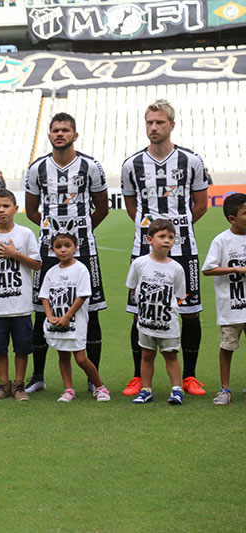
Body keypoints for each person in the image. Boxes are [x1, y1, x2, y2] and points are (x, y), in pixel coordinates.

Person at [121, 100, 208, 396]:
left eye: (159, 122)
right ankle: (137, 377)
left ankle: (190, 376)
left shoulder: (191, 161)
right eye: (149, 122)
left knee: (190, 311)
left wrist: (174, 232)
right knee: (139, 311)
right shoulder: (132, 164)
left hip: (184, 250)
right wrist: (153, 234)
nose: (154, 127)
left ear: (172, 124)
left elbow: (200, 205)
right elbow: (132, 207)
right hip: (144, 251)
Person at [24, 112, 109, 394]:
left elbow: (102, 207)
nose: (60, 134)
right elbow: (32, 209)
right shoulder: (37, 169)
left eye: (65, 130)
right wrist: (55, 237)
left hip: (85, 250)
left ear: (75, 134)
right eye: (55, 130)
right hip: (48, 252)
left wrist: (79, 235)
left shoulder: (90, 166)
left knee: (92, 310)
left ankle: (90, 378)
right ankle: (38, 376)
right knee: (41, 310)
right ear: (49, 135)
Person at [0, 189, 40, 401]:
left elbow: (37, 264)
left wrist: (15, 254)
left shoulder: (25, 234)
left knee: (22, 346)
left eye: (6, 206)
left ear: (16, 208)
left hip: (21, 304)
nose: (2, 210)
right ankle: (4, 385)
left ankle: (19, 385)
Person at [38, 232, 110, 402]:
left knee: (81, 358)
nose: (63, 250)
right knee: (63, 355)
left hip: (74, 322)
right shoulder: (51, 272)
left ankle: (99, 387)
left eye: (67, 246)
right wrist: (49, 316)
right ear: (52, 249)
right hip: (57, 322)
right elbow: (45, 296)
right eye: (58, 247)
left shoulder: (80, 269)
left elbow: (82, 296)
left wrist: (67, 316)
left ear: (75, 247)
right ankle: (68, 389)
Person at [126, 219, 186, 405]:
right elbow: (133, 287)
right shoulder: (139, 263)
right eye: (162, 236)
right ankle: (146, 390)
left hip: (168, 324)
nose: (167, 240)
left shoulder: (176, 268)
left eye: (171, 237)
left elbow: (179, 296)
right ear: (149, 239)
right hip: (145, 322)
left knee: (170, 355)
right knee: (146, 355)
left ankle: (177, 390)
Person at [201, 193, 246, 405]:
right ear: (232, 218)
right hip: (231, 307)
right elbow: (208, 269)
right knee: (228, 347)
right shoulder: (221, 240)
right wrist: (236, 269)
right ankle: (225, 389)